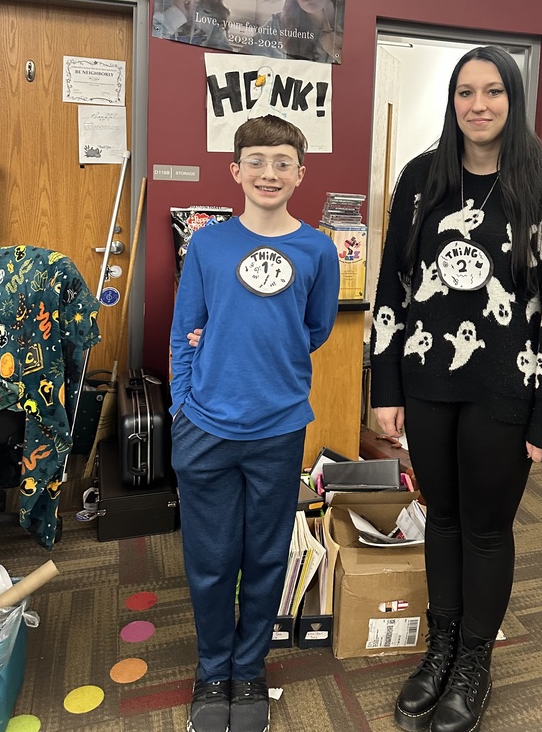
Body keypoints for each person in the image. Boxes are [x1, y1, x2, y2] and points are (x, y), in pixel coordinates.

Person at [371, 45, 542, 732]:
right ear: (453, 101)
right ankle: (439, 652)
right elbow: (393, 288)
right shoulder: (421, 179)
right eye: (466, 92)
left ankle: (474, 661)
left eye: (492, 91)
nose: (478, 105)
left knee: (487, 530)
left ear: (512, 98)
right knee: (440, 516)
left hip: (507, 385)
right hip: (428, 377)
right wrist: (385, 384)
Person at [169, 114, 340, 732]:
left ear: (300, 173)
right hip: (206, 425)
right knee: (211, 558)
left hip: (278, 426)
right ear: (236, 170)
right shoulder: (209, 244)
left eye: (283, 161)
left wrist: (271, 358)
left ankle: (250, 668)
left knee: (266, 556)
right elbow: (183, 327)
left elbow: (315, 329)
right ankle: (213, 669)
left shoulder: (318, 248)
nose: (270, 172)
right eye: (258, 160)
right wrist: (182, 406)